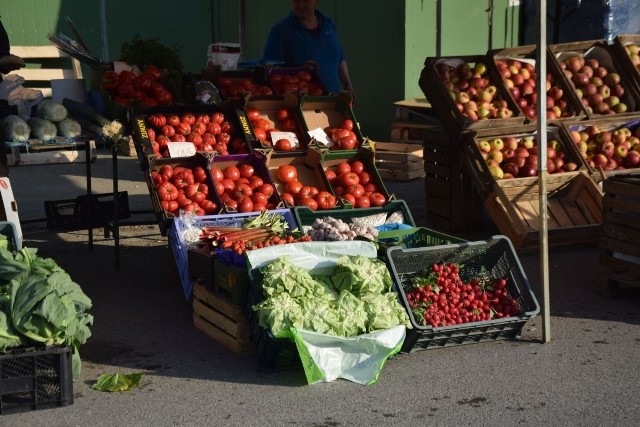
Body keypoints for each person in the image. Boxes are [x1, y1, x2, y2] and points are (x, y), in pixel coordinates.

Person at [262, 0, 355, 100]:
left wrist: (348, 84)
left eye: (306, 1)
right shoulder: (280, 31)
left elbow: (340, 56)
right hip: (302, 106)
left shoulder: (328, 24)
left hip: (333, 102)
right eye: (296, 1)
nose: (300, 5)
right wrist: (300, 72)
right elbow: (270, 68)